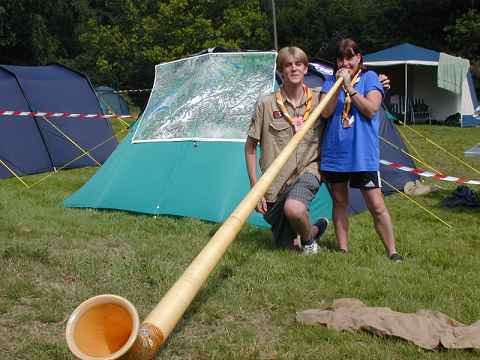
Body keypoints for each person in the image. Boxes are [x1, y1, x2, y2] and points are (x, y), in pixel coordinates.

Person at [320, 38, 403, 262]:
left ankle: (392, 251)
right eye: (340, 58)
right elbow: (325, 113)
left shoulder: (370, 78)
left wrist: (349, 88)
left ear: (359, 57)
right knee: (339, 200)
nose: (345, 62)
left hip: (362, 154)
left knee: (376, 204)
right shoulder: (329, 81)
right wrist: (337, 85)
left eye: (349, 57)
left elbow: (371, 109)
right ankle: (343, 250)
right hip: (335, 153)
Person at [245, 46, 329, 255]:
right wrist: (256, 189)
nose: (293, 68)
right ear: (281, 71)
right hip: (275, 184)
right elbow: (250, 147)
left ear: (306, 68)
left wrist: (379, 82)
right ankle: (315, 229)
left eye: (298, 64)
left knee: (294, 208)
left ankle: (310, 244)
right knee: (286, 247)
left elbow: (349, 93)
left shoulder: (321, 99)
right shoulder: (265, 103)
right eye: (288, 65)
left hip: (308, 171)